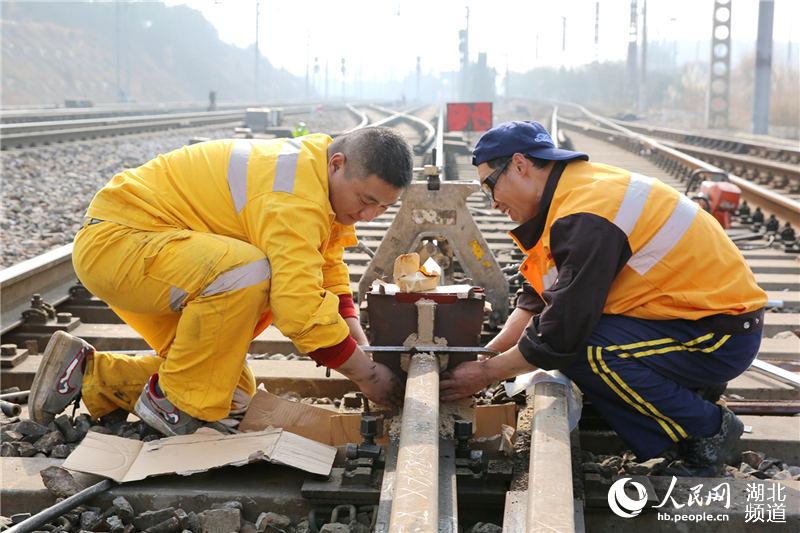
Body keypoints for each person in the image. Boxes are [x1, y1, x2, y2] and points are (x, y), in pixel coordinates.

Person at [29, 127, 413, 436]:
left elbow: (324, 270)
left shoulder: (316, 179)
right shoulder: (293, 197)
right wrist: (366, 374)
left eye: (383, 207)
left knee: (225, 395)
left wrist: (359, 344)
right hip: (122, 243)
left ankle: (85, 373)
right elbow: (298, 308)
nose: (369, 216)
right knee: (251, 271)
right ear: (337, 164)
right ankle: (171, 403)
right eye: (365, 200)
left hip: (167, 255)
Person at [440, 121, 767, 475]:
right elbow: (538, 300)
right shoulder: (573, 194)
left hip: (718, 335)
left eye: (490, 186)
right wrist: (487, 356)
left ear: (519, 165)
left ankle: (705, 428)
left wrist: (485, 374)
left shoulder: (587, 214)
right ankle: (687, 388)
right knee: (572, 343)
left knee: (584, 349)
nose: (493, 203)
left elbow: (560, 333)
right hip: (685, 319)